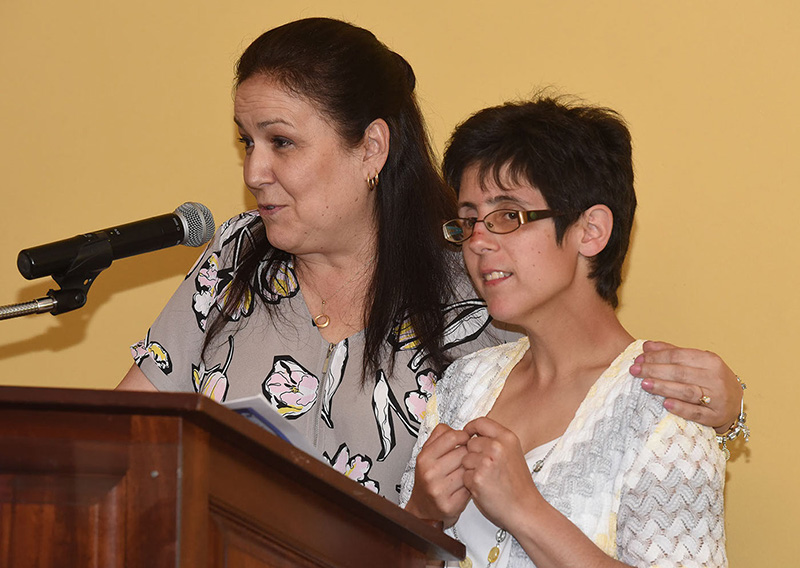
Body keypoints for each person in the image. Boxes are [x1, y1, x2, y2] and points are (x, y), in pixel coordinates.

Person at [117, 17, 745, 505]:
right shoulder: (235, 255)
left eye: (281, 142)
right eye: (246, 142)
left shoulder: (477, 280)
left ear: (371, 148)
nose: (255, 170)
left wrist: (725, 409)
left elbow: (588, 395)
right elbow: (120, 434)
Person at [400, 97, 728, 567]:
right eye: (469, 220)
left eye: (508, 215)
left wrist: (525, 510)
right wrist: (422, 513)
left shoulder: (666, 408)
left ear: (590, 231)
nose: (478, 241)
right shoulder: (465, 383)